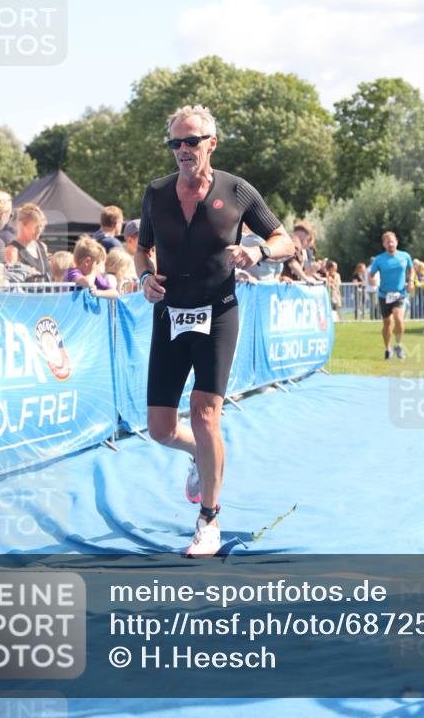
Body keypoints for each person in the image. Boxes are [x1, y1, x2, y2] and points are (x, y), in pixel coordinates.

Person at [135, 104, 294, 557]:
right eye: (176, 143)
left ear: (211, 143)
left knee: (205, 413)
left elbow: (285, 240)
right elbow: (143, 250)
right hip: (169, 315)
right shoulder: (156, 192)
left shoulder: (237, 190)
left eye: (192, 142)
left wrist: (259, 252)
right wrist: (145, 277)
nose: (183, 150)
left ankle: (208, 518)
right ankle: (195, 456)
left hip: (218, 313)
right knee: (161, 429)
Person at [369, 231, 414, 359]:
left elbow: (411, 270)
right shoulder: (379, 259)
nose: (390, 243)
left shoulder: (405, 256)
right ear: (384, 244)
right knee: (387, 323)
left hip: (400, 294)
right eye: (387, 241)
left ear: (396, 242)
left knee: (399, 319)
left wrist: (410, 281)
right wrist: (372, 280)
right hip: (384, 295)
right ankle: (387, 348)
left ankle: (398, 345)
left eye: (392, 241)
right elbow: (371, 275)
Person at [5, 202, 51, 280]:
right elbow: (11, 280)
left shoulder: (42, 246)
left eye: (41, 226)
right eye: (36, 227)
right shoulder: (13, 250)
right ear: (22, 225)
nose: (39, 230)